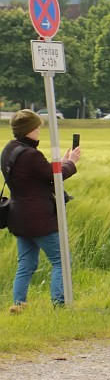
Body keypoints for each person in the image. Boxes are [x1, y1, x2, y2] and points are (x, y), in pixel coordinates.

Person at [2, 110, 80, 311]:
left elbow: (38, 175)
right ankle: (59, 303)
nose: (39, 129)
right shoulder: (31, 154)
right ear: (28, 130)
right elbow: (54, 176)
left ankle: (18, 305)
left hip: (19, 217)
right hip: (39, 219)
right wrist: (71, 162)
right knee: (62, 260)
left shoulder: (9, 150)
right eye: (36, 126)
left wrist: (61, 163)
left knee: (26, 264)